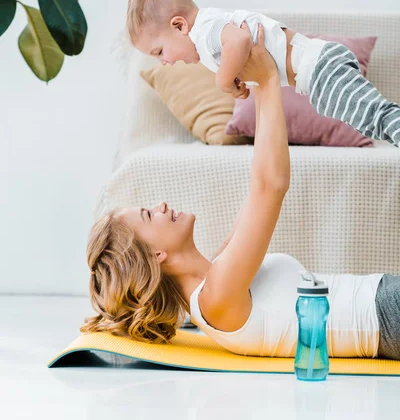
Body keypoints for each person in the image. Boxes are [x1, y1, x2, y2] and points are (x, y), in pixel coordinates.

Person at [82, 27, 400, 360]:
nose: (160, 205)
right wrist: (268, 82)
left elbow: (257, 187)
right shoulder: (215, 299)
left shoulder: (215, 278)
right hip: (388, 315)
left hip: (386, 300)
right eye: (149, 214)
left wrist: (257, 81)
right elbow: (271, 187)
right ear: (156, 255)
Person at [125, 0, 400, 147]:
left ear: (179, 25)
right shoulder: (210, 32)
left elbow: (241, 40)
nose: (164, 61)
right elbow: (246, 54)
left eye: (160, 51)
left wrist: (223, 80)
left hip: (320, 69)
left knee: (378, 117)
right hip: (317, 75)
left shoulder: (205, 31)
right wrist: (240, 81)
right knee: (373, 124)